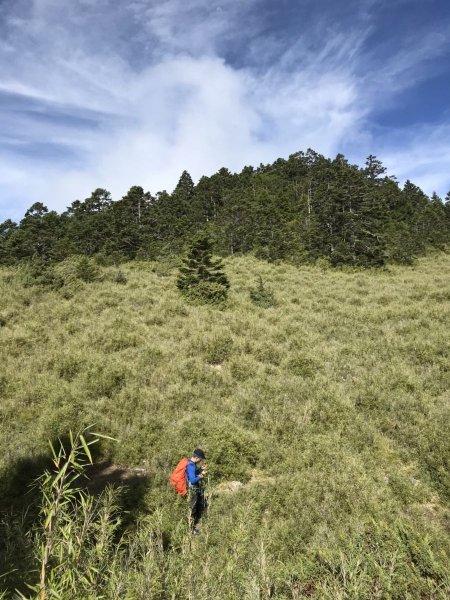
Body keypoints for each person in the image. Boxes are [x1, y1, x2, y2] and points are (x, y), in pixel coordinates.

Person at [186, 448, 207, 535]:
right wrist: (201, 476)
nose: (201, 461)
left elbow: (194, 472)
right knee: (192, 508)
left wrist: (200, 469)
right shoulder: (190, 466)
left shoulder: (192, 464)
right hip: (192, 490)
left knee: (195, 507)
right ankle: (191, 529)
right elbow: (193, 480)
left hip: (194, 489)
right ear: (197, 458)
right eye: (201, 459)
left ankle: (193, 524)